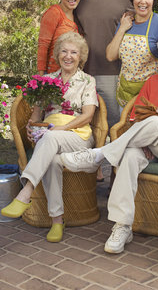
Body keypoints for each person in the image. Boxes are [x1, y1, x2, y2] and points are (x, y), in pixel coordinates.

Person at [60, 31, 158, 253]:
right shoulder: (153, 81)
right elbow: (135, 119)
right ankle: (122, 226)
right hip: (150, 144)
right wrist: (144, 143)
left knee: (155, 123)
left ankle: (100, 155)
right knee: (130, 157)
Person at [1, 32, 98, 242]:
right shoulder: (46, 81)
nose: (68, 56)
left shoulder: (87, 81)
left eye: (74, 52)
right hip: (49, 134)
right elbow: (36, 115)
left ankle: (25, 191)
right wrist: (31, 127)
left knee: (50, 138)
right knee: (52, 159)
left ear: (80, 56)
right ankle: (57, 220)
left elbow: (88, 115)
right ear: (57, 54)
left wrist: (60, 130)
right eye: (64, 51)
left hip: (77, 135)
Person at [76, 0, 133, 182]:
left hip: (112, 73)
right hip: (83, 73)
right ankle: (91, 175)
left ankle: (116, 180)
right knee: (85, 128)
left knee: (113, 128)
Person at [106, 0, 158, 108]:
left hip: (150, 98)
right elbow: (110, 56)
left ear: (154, 0)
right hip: (125, 96)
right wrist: (122, 28)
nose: (143, 1)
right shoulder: (126, 21)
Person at [37, 0, 83, 75]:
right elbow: (43, 46)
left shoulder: (79, 15)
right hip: (53, 77)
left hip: (73, 78)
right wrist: (42, 79)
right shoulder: (54, 13)